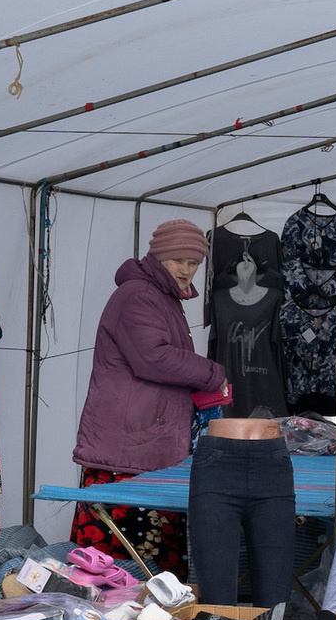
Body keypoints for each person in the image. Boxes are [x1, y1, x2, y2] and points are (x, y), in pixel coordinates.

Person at [70, 220, 228, 574]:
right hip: (124, 454)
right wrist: (213, 374)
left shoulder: (162, 297)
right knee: (111, 565)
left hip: (142, 445)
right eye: (178, 261)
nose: (187, 270)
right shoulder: (139, 295)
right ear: (158, 258)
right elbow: (153, 357)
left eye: (194, 263)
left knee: (143, 569)